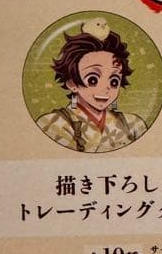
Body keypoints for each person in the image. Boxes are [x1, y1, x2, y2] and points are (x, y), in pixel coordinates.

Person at [36, 19, 147, 153]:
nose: (105, 88)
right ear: (72, 83)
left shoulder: (133, 124)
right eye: (93, 80)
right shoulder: (52, 123)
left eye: (114, 81)